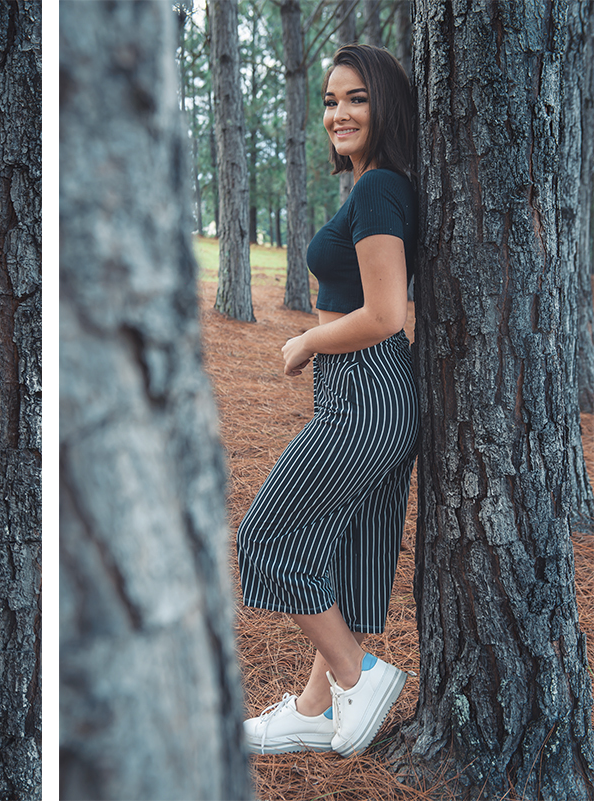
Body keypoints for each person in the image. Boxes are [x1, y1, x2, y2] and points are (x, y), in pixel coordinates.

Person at [237, 43, 418, 758]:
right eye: (329, 101)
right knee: (342, 547)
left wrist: (308, 341)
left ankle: (356, 674)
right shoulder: (377, 185)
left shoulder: (378, 191)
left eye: (357, 99)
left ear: (387, 105)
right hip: (376, 393)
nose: (337, 113)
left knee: (267, 537)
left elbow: (384, 312)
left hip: (365, 387)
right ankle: (315, 708)